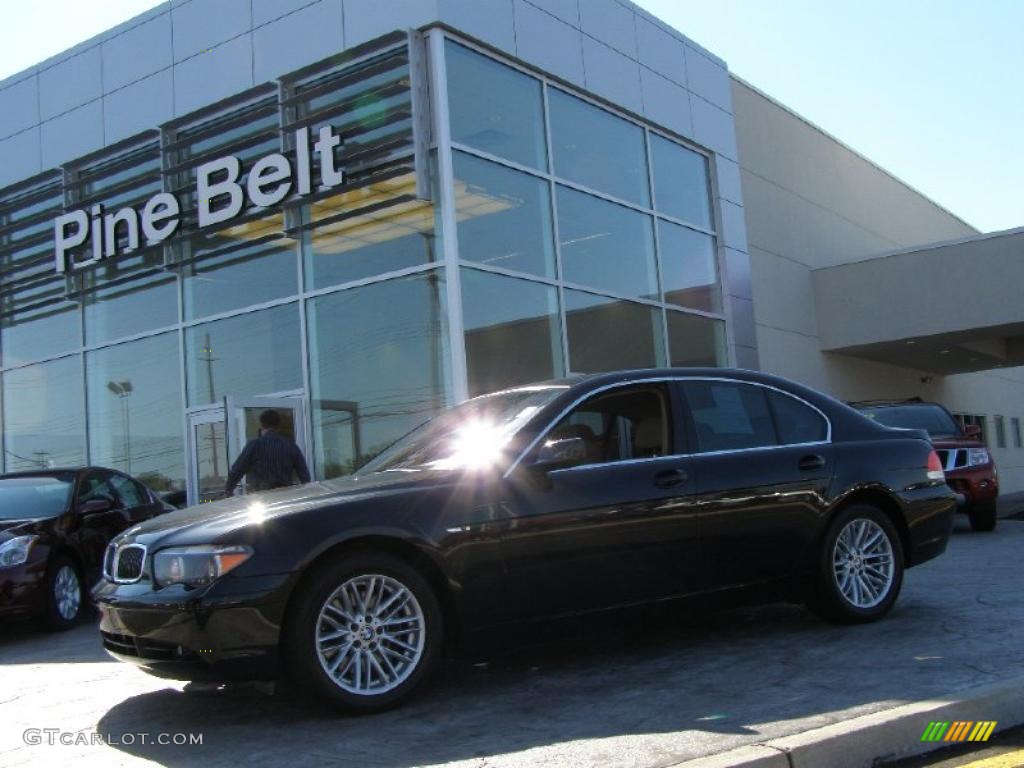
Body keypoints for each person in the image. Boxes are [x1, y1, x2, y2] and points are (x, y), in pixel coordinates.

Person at [224, 409, 311, 496]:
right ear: (278, 426)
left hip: (259, 497)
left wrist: (229, 489)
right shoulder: (291, 446)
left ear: (262, 425)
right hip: (284, 496)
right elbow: (304, 475)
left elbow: (237, 469)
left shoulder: (255, 445)